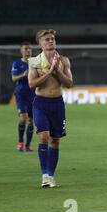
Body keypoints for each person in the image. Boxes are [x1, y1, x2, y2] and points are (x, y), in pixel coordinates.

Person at [28, 29, 73, 188]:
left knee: (55, 140)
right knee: (44, 137)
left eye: (52, 38)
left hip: (57, 104)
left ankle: (51, 176)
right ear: (40, 43)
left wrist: (57, 70)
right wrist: (49, 72)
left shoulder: (64, 60)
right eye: (46, 39)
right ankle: (44, 176)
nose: (50, 41)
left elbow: (69, 84)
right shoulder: (34, 61)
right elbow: (32, 84)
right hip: (41, 103)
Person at [11, 41, 36, 152]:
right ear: (21, 50)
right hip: (21, 94)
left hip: (33, 95)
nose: (28, 50)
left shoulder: (36, 63)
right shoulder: (17, 63)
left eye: (29, 48)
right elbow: (13, 78)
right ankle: (20, 142)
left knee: (31, 121)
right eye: (26, 48)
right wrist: (23, 74)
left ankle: (28, 145)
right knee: (23, 118)